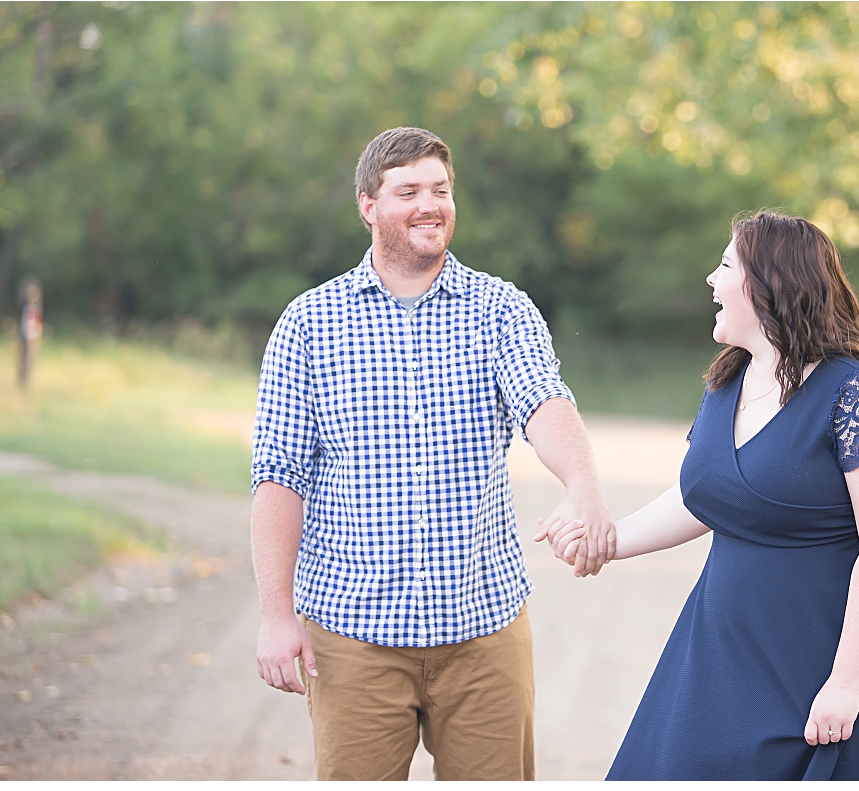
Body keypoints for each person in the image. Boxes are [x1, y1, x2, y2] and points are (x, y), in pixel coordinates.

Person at [250, 126, 615, 781]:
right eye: (408, 191)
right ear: (368, 205)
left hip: (483, 633)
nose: (429, 204)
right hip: (352, 635)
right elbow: (279, 476)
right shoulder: (309, 324)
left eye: (440, 190)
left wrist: (581, 483)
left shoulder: (501, 309)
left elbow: (543, 402)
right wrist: (276, 616)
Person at [541, 211, 859, 780]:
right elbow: (704, 498)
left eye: (726, 265)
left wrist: (846, 683)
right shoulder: (728, 381)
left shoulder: (857, 394)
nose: (710, 279)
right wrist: (607, 540)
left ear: (767, 284)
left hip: (821, 661)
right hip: (721, 656)